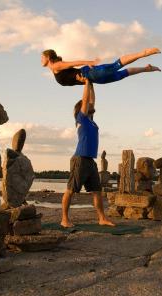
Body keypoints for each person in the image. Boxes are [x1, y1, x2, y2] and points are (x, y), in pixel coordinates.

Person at [61, 79, 115, 228]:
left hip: (90, 161)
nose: (91, 105)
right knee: (71, 190)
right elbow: (86, 99)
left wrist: (91, 83)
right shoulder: (81, 118)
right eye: (88, 105)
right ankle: (64, 219)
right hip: (80, 159)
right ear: (82, 109)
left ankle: (102, 218)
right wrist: (85, 83)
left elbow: (91, 99)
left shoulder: (91, 121)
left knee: (97, 191)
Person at [41, 48, 161, 86]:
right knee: (123, 73)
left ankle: (143, 53)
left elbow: (74, 63)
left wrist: (89, 62)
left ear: (48, 58)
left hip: (91, 74)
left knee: (117, 65)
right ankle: (146, 69)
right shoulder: (54, 69)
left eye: (42, 57)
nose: (41, 60)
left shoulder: (56, 66)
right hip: (95, 80)